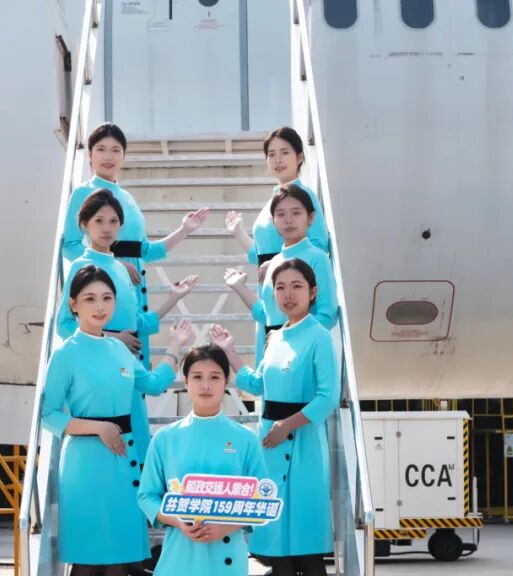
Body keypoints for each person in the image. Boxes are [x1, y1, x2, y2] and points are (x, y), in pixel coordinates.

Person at [42, 264, 195, 576]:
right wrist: (97, 428)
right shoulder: (66, 354)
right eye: (90, 299)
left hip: (121, 463)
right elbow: (49, 414)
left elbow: (154, 384)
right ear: (73, 305)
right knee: (85, 564)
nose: (100, 306)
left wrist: (176, 346)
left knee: (117, 565)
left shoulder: (120, 351)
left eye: (107, 298)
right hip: (86, 463)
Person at [210, 258, 339, 576]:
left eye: (296, 286)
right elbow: (258, 384)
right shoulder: (275, 336)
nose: (287, 294)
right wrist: (230, 350)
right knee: (280, 559)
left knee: (308, 556)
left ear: (313, 292)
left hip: (302, 450)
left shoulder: (319, 337)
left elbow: (327, 397)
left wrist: (287, 425)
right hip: (272, 449)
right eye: (280, 287)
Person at [137, 344, 268, 576]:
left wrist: (226, 525)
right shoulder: (166, 439)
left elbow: (262, 498)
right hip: (181, 559)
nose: (206, 385)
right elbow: (147, 496)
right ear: (185, 381)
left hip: (224, 558)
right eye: (197, 377)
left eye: (214, 377)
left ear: (227, 383)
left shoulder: (244, 439)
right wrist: (178, 521)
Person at [57, 188, 204, 458]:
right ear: (85, 225)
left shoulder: (119, 269)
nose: (107, 228)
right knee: (109, 445)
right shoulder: (82, 267)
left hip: (128, 365)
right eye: (99, 221)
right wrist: (114, 339)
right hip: (99, 371)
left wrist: (173, 298)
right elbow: (64, 325)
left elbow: (137, 324)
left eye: (113, 221)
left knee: (135, 443)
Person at [62, 122, 209, 365]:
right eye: (101, 149)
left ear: (124, 156)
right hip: (104, 286)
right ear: (90, 155)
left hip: (135, 287)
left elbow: (146, 251)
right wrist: (112, 265)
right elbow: (70, 245)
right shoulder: (83, 192)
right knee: (110, 356)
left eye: (115, 150)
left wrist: (185, 229)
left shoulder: (128, 198)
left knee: (135, 358)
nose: (108, 156)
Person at [224, 184, 338, 361]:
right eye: (281, 214)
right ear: (273, 221)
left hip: (304, 354)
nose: (289, 220)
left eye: (296, 213)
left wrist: (292, 339)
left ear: (310, 218)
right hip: (275, 352)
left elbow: (327, 315)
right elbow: (267, 316)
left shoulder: (317, 257)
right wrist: (240, 288)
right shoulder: (274, 263)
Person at [224, 126, 330, 268]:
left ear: (299, 157)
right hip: (270, 280)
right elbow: (260, 257)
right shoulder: (271, 203)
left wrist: (279, 265)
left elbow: (319, 245)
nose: (278, 160)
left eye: (285, 152)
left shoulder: (305, 195)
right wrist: (238, 232)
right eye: (271, 154)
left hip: (291, 280)